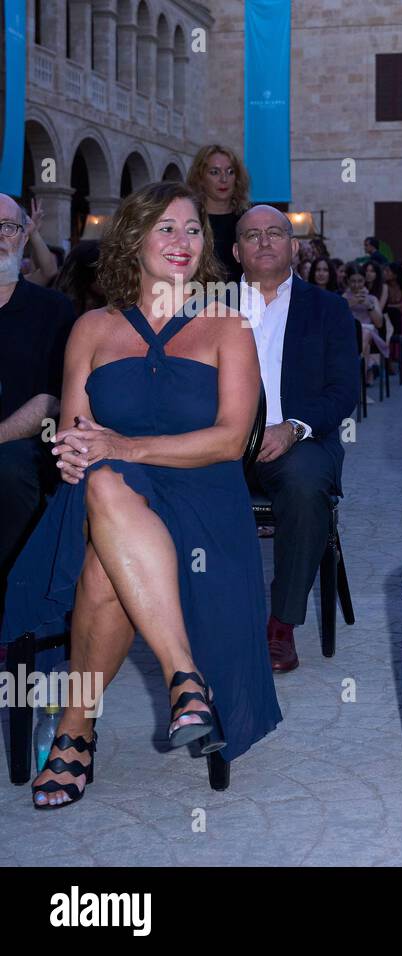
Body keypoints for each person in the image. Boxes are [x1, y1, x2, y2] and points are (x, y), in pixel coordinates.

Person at [2, 181, 281, 808]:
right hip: (104, 494)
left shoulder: (226, 324)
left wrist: (122, 449)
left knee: (105, 556)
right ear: (133, 238)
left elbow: (233, 439)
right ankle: (185, 677)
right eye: (166, 228)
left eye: (191, 230)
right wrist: (79, 453)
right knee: (102, 485)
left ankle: (76, 730)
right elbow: (75, 434)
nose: (182, 241)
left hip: (202, 501)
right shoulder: (92, 329)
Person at [234, 206, 359, 673]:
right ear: (236, 250)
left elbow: (344, 390)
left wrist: (293, 428)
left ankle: (281, 626)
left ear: (294, 247)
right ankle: (206, 619)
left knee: (306, 486)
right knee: (174, 480)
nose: (264, 242)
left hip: (299, 440)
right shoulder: (211, 307)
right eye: (252, 235)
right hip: (225, 440)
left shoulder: (327, 309)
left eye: (275, 234)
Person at [0, 195, 77, 615]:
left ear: (25, 234)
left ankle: (12, 607)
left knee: (9, 467)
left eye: (8, 227)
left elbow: (54, 397)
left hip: (28, 446)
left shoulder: (53, 309)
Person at [186, 144, 249, 282]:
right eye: (215, 172)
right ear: (200, 178)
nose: (224, 179)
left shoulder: (248, 221)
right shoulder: (188, 220)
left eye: (230, 172)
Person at [343, 263, 389, 382]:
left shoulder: (372, 299)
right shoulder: (343, 298)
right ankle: (363, 374)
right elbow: (337, 318)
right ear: (348, 280)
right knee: (364, 344)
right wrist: (350, 304)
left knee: (365, 334)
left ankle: (356, 375)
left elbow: (379, 324)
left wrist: (369, 306)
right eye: (353, 281)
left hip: (369, 332)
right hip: (348, 331)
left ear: (364, 281)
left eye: (360, 281)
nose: (357, 285)